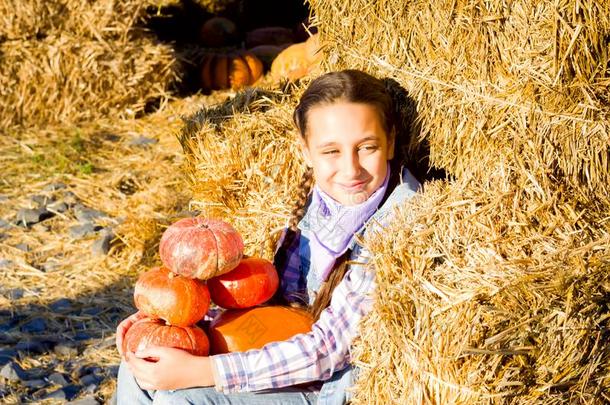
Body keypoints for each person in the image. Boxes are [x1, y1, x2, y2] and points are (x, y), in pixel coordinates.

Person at [114, 69, 421, 405]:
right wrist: (167, 325)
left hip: (328, 387)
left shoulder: (399, 223)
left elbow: (327, 350)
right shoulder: (310, 199)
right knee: (137, 368)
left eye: (367, 147)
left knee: (181, 400)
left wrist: (204, 372)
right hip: (282, 351)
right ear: (305, 151)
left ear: (390, 141)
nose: (350, 169)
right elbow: (263, 302)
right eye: (331, 152)